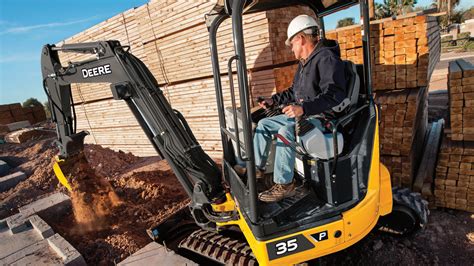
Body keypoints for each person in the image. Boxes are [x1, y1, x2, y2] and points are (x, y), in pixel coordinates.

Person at [235, 15, 347, 202]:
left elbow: (335, 94)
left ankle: (285, 184)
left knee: (286, 131)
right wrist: (273, 100)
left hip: (322, 118)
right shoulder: (304, 64)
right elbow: (294, 92)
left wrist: (303, 108)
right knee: (264, 124)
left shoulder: (326, 58)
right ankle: (256, 171)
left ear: (300, 39)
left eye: (291, 44)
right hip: (306, 115)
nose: (291, 49)